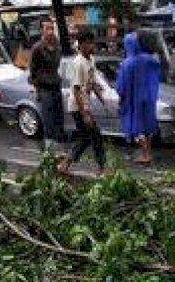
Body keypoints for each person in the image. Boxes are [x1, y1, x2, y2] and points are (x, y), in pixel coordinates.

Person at [58, 30, 107, 175]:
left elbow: (91, 81)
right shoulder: (77, 63)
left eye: (93, 42)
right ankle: (102, 167)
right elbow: (76, 89)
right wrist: (84, 113)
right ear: (81, 45)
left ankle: (65, 163)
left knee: (86, 138)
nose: (92, 45)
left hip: (84, 104)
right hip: (77, 106)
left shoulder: (91, 59)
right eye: (89, 43)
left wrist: (101, 97)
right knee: (95, 136)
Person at [116, 32, 161, 165]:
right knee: (148, 126)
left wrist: (121, 97)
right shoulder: (149, 59)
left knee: (136, 127)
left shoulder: (126, 64)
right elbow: (158, 74)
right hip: (149, 97)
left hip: (134, 100)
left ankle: (145, 154)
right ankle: (148, 153)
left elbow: (121, 86)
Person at [29, 18, 66, 154]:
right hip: (44, 88)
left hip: (56, 86)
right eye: (47, 29)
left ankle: (60, 152)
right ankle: (49, 153)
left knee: (59, 119)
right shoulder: (37, 48)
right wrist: (37, 90)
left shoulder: (57, 45)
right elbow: (32, 71)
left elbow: (59, 65)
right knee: (48, 121)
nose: (50, 31)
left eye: (52, 28)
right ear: (42, 30)